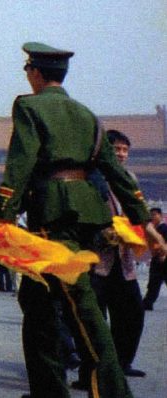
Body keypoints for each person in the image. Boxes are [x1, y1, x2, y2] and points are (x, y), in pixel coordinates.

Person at [0, 43, 167, 398]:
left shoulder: (30, 108)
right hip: (89, 214)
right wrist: (146, 223)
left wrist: (1, 213)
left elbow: (21, 161)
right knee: (36, 297)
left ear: (34, 73)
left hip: (55, 217)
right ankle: (49, 390)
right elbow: (115, 173)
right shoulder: (88, 115)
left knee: (83, 312)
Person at [84, 130, 148, 380]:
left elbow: (137, 212)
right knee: (95, 317)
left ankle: (123, 362)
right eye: (117, 149)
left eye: (125, 150)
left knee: (132, 312)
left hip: (123, 259)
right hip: (97, 259)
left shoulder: (129, 178)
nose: (121, 154)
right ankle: (91, 370)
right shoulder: (90, 179)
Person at [142, 207, 167, 310]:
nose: (152, 217)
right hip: (157, 260)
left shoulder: (164, 228)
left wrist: (165, 255)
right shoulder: (154, 229)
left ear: (160, 216)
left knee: (154, 283)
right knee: (153, 283)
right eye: (151, 215)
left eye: (155, 214)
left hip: (164, 260)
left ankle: (147, 303)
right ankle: (147, 303)